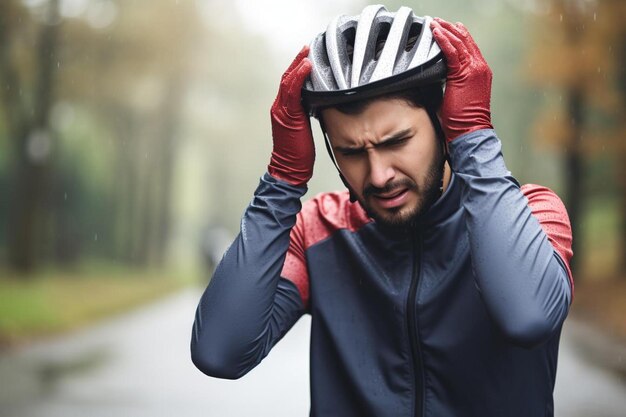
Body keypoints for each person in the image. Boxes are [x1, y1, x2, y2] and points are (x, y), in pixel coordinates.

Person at [191, 5, 574, 417]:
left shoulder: (531, 213)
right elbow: (220, 351)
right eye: (351, 152)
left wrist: (475, 139)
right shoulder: (318, 231)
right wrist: (282, 181)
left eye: (396, 141)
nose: (378, 175)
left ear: (445, 124)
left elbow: (529, 318)